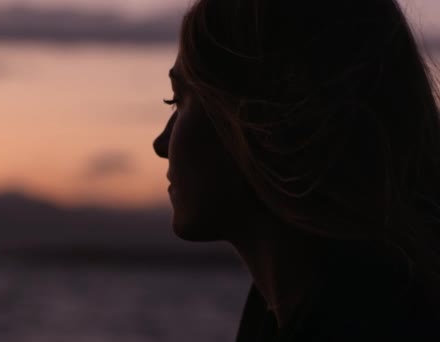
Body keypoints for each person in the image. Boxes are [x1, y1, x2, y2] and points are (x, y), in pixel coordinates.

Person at [152, 0, 440, 341]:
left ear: (262, 117)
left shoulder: (369, 322)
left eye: (180, 100)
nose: (161, 142)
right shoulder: (291, 311)